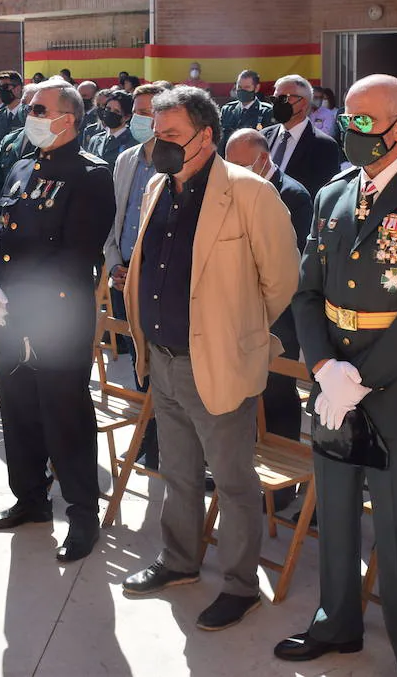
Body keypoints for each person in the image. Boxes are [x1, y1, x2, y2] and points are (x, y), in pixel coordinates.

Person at [274, 74, 397, 670]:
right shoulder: (332, 195)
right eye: (347, 120)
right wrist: (326, 367)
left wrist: (358, 378)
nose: (351, 131)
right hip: (334, 386)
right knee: (333, 514)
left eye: (365, 121)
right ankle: (338, 622)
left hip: (396, 391)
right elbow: (305, 294)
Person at [119, 90, 297, 630]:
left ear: (206, 136)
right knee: (177, 470)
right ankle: (179, 562)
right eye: (156, 132)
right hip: (164, 358)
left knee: (232, 480)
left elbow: (281, 281)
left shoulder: (250, 193)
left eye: (171, 135)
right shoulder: (155, 186)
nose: (159, 144)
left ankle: (240, 585)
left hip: (216, 361)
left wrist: (237, 333)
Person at [0, 79, 115, 564]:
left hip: (56, 317)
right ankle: (30, 498)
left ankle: (81, 515)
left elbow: (75, 255)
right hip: (9, 314)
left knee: (65, 415)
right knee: (18, 410)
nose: (29, 114)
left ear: (67, 119)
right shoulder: (19, 167)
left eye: (39, 108)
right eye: (32, 107)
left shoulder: (91, 175)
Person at [224, 128, 312, 447]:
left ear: (263, 160)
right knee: (243, 392)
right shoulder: (230, 188)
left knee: (277, 389)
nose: (231, 170)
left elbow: (291, 260)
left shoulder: (293, 195)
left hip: (279, 313)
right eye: (228, 162)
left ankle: (284, 484)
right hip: (237, 308)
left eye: (239, 163)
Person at [102, 82, 166, 462]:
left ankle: (160, 440)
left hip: (158, 283)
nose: (141, 119)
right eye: (138, 111)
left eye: (149, 112)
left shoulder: (181, 161)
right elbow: (114, 220)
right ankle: (146, 430)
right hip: (123, 278)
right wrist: (113, 264)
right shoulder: (127, 159)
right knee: (136, 361)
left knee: (162, 365)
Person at [262, 74, 342, 198]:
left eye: (283, 99)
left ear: (303, 103)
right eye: (274, 100)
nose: (277, 104)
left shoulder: (324, 146)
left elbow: (324, 195)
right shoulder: (262, 137)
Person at [0, 82, 41, 221]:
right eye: (24, 104)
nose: (27, 110)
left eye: (33, 107)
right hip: (6, 219)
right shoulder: (10, 140)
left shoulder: (47, 142)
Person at [218, 69, 275, 151]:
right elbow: (220, 141)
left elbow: (268, 144)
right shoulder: (227, 110)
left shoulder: (267, 112)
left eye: (247, 87)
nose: (242, 91)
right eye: (239, 87)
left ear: (256, 88)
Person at [0, 70, 26, 177]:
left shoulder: (27, 114)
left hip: (22, 172)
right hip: (3, 174)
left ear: (18, 88)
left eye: (5, 87)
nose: (1, 91)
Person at [85, 90, 137, 164]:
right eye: (108, 109)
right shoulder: (95, 139)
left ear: (126, 117)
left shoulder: (133, 142)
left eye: (116, 111)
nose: (110, 113)